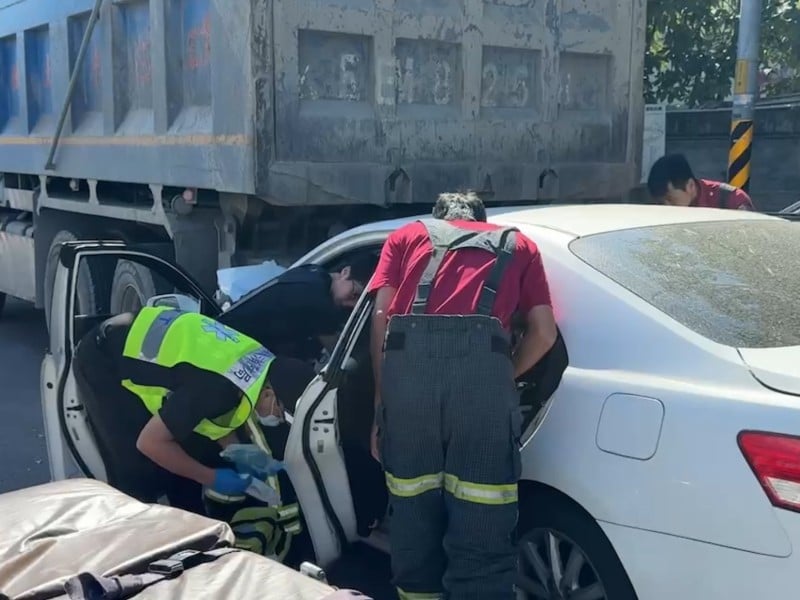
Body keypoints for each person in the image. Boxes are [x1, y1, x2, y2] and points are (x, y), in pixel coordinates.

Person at [368, 192, 558, 600]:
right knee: (483, 526)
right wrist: (500, 373)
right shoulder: (520, 245)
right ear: (482, 220)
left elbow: (382, 321)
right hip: (483, 402)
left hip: (409, 401)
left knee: (413, 513)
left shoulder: (405, 237)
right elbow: (544, 334)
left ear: (437, 221)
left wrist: (381, 405)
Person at [72, 306, 314, 515]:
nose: (276, 419)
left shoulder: (257, 364)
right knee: (136, 474)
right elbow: (150, 443)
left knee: (184, 457)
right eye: (280, 413)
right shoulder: (215, 388)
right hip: (103, 359)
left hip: (142, 341)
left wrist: (237, 451)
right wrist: (212, 478)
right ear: (269, 393)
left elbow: (214, 411)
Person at [221, 257, 378, 362]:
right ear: (345, 272)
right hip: (229, 348)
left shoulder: (314, 272)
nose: (352, 305)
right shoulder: (317, 298)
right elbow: (340, 358)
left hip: (229, 336)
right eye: (354, 294)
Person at [647, 153, 754, 210]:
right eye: (661, 203)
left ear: (690, 186)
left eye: (670, 199)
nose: (667, 207)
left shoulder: (731, 199)